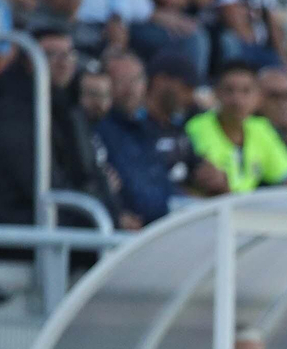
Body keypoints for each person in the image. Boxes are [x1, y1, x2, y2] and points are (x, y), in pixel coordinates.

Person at [0, 21, 118, 229]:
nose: (63, 63)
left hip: (57, 221)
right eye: (51, 55)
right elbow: (41, 187)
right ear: (29, 61)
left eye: (68, 54)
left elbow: (86, 172)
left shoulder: (69, 107)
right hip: (16, 231)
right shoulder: (12, 114)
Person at [94, 51, 219, 226]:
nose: (130, 89)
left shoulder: (145, 130)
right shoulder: (98, 130)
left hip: (164, 226)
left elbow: (162, 183)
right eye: (120, 81)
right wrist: (117, 215)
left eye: (136, 80)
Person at [185, 61, 287, 193]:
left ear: (258, 97)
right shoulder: (197, 128)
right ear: (216, 93)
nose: (237, 100)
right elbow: (208, 189)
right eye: (229, 90)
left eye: (246, 91)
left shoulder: (261, 128)